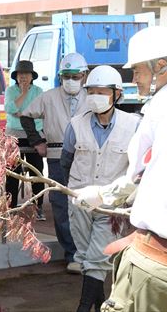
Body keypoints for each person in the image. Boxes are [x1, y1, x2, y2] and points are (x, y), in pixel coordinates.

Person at [74, 26, 167, 312]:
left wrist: (105, 195)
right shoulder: (78, 123)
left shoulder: (158, 107)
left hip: (156, 259)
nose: (135, 79)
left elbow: (137, 172)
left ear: (161, 66)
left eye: (138, 71)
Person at [61, 65, 140, 312]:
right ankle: (97, 303)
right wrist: (75, 190)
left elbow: (137, 169)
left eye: (101, 91)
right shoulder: (75, 124)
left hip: (111, 207)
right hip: (79, 201)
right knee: (86, 258)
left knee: (97, 258)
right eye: (91, 91)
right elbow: (66, 162)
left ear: (116, 94)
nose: (95, 95)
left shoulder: (134, 125)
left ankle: (83, 307)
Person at [20, 52, 89, 273]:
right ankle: (72, 254)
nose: (70, 80)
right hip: (57, 157)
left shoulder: (92, 96)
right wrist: (37, 141)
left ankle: (89, 252)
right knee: (60, 204)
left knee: (85, 204)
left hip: (85, 158)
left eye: (75, 76)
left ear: (84, 76)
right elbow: (26, 115)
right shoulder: (49, 97)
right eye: (66, 76)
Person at [4, 60, 45, 220]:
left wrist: (23, 113)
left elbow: (39, 112)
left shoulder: (39, 91)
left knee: (37, 171)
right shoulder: (10, 90)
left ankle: (38, 207)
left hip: (34, 133)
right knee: (12, 172)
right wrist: (23, 93)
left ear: (32, 76)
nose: (23, 77)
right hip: (14, 134)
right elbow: (11, 109)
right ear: (16, 76)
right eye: (20, 74)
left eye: (26, 74)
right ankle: (11, 207)